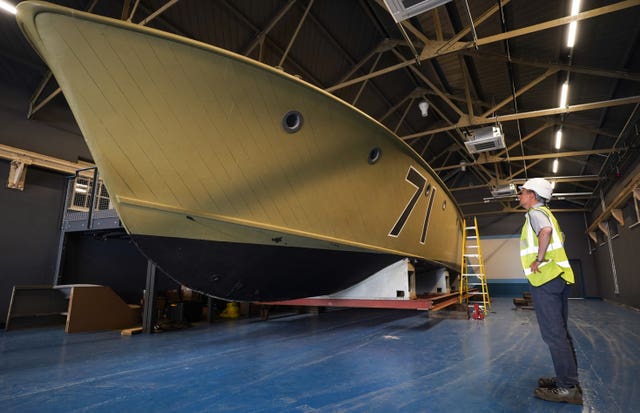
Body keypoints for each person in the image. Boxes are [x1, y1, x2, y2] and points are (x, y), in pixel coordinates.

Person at [517, 178, 582, 405]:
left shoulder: (535, 214)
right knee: (560, 332)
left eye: (522, 192)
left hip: (546, 279)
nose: (520, 195)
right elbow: (560, 237)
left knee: (553, 334)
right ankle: (568, 379)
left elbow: (544, 232)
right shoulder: (547, 213)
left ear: (532, 196)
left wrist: (539, 259)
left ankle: (567, 388)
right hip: (558, 278)